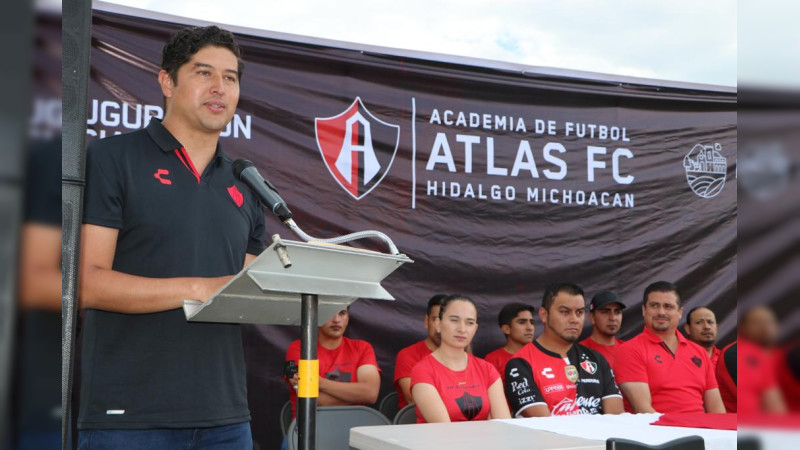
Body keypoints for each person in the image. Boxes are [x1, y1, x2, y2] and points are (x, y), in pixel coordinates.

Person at [78, 26, 265, 448]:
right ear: (167, 81)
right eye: (203, 73)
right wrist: (198, 288)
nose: (219, 88)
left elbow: (250, 291)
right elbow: (86, 282)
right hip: (128, 420)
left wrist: (320, 276)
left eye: (230, 78)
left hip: (227, 420)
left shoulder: (247, 184)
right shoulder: (112, 158)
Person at [504, 283, 623, 417]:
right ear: (544, 315)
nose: (574, 319)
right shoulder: (520, 364)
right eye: (565, 312)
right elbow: (543, 425)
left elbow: (616, 417)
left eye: (579, 312)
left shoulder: (597, 359)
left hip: (598, 437)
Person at [615, 282, 725, 414]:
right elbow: (643, 410)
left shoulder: (699, 352)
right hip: (658, 432)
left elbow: (717, 411)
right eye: (654, 306)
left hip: (701, 432)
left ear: (680, 312)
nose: (661, 312)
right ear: (644, 310)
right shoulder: (630, 350)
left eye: (668, 307)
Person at [411, 295, 510, 423]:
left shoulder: (487, 369)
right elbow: (443, 429)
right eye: (454, 320)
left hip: (485, 441)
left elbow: (504, 425)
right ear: (438, 324)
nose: (462, 329)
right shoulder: (423, 370)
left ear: (475, 329)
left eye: (469, 323)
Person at [284, 308, 380, 419]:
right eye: (329, 312)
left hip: (354, 427)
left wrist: (319, 383)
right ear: (315, 317)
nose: (336, 320)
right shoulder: (296, 348)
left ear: (348, 317)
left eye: (342, 313)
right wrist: (355, 396)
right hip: (309, 428)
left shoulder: (363, 348)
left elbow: (370, 394)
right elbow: (311, 400)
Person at [393, 294, 446, 409]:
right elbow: (414, 399)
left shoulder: (462, 357)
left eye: (444, 320)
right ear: (426, 321)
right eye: (435, 319)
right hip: (416, 424)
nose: (439, 327)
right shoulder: (408, 355)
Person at [483, 302, 535, 377]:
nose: (530, 328)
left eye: (532, 322)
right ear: (506, 329)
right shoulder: (493, 360)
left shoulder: (543, 355)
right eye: (522, 322)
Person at [579, 290, 626, 367]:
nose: (613, 318)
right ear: (592, 317)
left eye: (617, 312)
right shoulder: (580, 351)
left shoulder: (629, 349)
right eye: (605, 312)